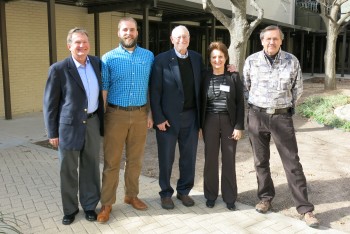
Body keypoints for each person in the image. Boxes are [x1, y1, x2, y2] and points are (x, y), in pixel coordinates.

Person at [243, 25, 319, 228]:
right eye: (268, 39)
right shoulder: (251, 61)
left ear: (281, 41)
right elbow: (245, 87)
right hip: (256, 116)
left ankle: (305, 208)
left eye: (275, 39)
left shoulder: (291, 61)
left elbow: (298, 88)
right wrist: (257, 106)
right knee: (260, 161)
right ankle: (265, 198)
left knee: (292, 163)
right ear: (261, 40)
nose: (271, 42)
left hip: (281, 118)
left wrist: (282, 106)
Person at [43, 27, 104, 225]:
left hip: (93, 122)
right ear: (69, 46)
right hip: (68, 127)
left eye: (84, 42)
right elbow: (50, 104)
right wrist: (52, 132)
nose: (82, 46)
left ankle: (89, 206)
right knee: (68, 169)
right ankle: (70, 209)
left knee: (91, 167)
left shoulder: (96, 63)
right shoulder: (59, 69)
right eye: (77, 42)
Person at [97, 17, 154, 223]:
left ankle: (131, 195)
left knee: (135, 160)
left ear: (137, 32)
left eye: (132, 30)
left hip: (140, 114)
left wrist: (150, 113)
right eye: (124, 30)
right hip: (115, 114)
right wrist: (102, 117)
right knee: (112, 162)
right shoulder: (108, 58)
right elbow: (104, 88)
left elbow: (152, 87)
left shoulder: (148, 56)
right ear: (118, 33)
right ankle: (107, 203)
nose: (128, 33)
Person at [150, 25, 206, 210]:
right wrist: (158, 118)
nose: (182, 40)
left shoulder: (197, 59)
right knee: (166, 158)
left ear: (189, 39)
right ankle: (166, 193)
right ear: (172, 39)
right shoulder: (161, 60)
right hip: (167, 119)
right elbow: (155, 91)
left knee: (188, 158)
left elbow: (206, 81)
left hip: (191, 117)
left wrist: (229, 70)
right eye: (179, 37)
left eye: (185, 37)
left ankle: (184, 191)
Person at [200, 41, 244, 211]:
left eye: (220, 56)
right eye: (214, 57)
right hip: (209, 121)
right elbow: (199, 101)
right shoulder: (204, 76)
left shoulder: (233, 76)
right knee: (210, 159)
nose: (217, 60)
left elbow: (240, 103)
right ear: (209, 59)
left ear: (225, 58)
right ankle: (210, 195)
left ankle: (230, 197)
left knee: (229, 160)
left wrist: (239, 126)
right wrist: (199, 126)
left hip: (229, 122)